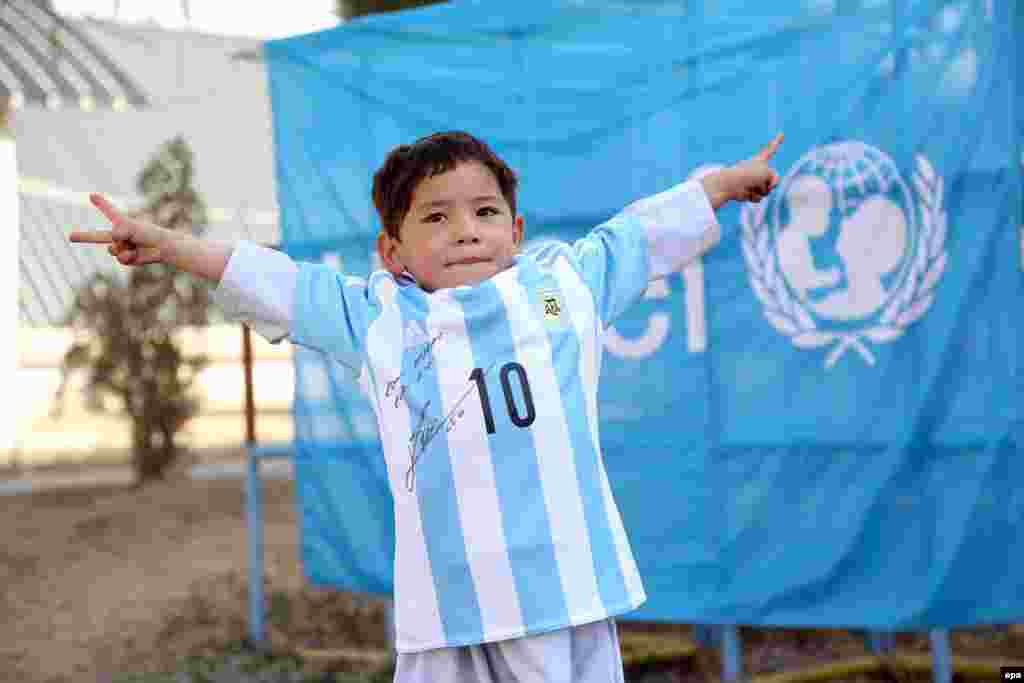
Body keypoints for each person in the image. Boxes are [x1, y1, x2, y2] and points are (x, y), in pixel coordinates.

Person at [70, 130, 783, 682]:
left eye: (484, 212)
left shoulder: (562, 287)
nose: (466, 229)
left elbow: (640, 236)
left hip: (560, 594)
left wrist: (719, 185)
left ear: (516, 230)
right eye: (436, 217)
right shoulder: (376, 316)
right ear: (393, 250)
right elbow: (275, 281)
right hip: (445, 606)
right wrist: (168, 245)